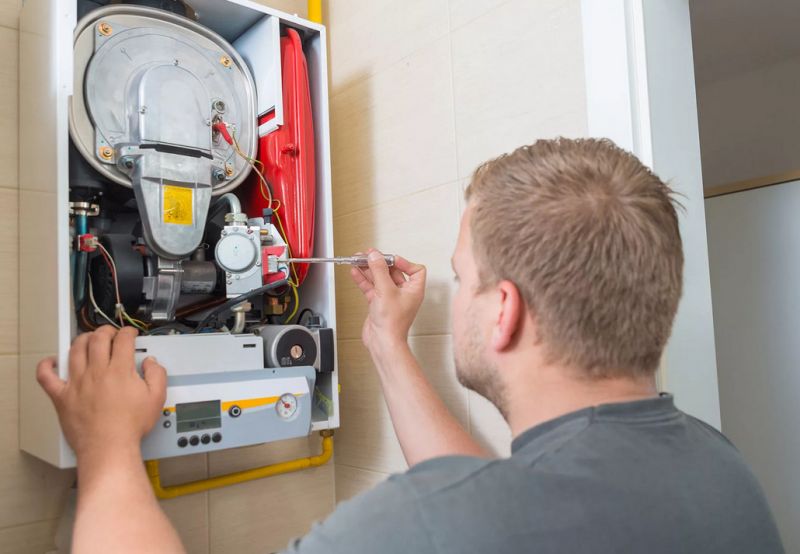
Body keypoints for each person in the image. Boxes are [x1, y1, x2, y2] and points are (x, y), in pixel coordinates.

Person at [37, 138, 783, 554]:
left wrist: (106, 450)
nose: (456, 289)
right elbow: (491, 495)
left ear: (503, 312)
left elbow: (471, 510)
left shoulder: (425, 527)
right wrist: (387, 342)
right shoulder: (719, 467)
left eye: (464, 276)